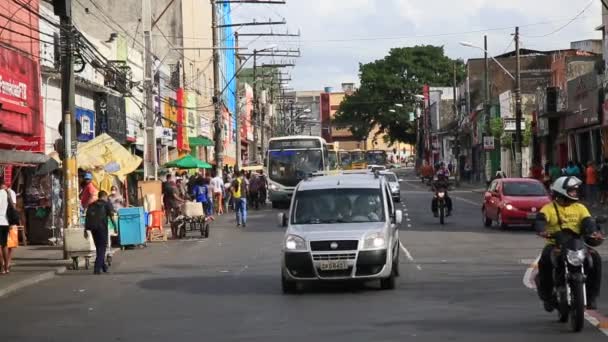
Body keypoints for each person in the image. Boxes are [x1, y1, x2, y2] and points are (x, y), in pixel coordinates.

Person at [535, 176, 604, 311]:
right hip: (555, 244)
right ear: (562, 191)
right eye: (572, 190)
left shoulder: (580, 208)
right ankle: (547, 296)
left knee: (596, 258)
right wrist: (542, 230)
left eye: (575, 190)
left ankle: (591, 297)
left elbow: (588, 221)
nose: (575, 193)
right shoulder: (548, 208)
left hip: (577, 244)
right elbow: (540, 220)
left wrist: (593, 231)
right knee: (544, 261)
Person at [84, 191, 117, 275]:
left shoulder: (91, 205)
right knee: (102, 248)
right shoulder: (107, 204)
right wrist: (115, 227)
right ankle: (97, 268)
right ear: (105, 196)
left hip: (93, 229)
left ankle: (104, 267)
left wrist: (85, 230)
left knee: (99, 247)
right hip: (102, 228)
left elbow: (87, 217)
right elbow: (112, 217)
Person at [0, 179, 16, 274]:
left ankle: (1, 268)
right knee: (4, 245)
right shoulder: (8, 192)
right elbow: (13, 207)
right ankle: (6, 267)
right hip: (6, 222)